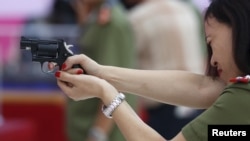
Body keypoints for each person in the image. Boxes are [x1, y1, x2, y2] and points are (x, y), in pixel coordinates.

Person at [51, 0, 250, 140]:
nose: (213, 60)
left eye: (211, 42)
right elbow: (202, 87)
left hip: (161, 113)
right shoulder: (186, 9)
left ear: (237, 26)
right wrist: (102, 74)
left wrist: (108, 94)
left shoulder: (241, 97)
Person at [127, 0, 206, 138]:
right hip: (198, 99)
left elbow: (128, 65)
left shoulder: (136, 19)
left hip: (162, 105)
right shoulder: (187, 10)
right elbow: (203, 55)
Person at [65, 0, 138, 141]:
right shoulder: (97, 15)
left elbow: (115, 82)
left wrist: (98, 133)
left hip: (103, 130)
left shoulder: (111, 23)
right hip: (87, 124)